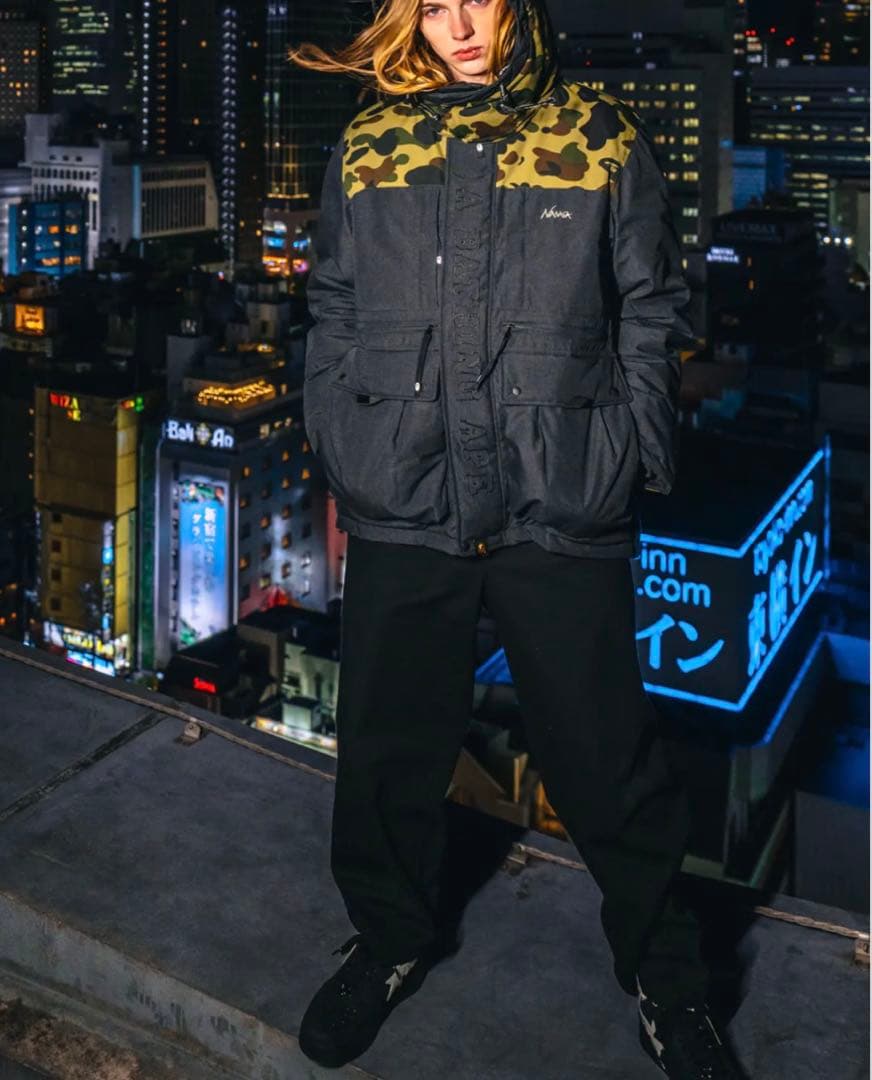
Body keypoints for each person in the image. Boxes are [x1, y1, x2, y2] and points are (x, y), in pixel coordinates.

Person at [289, 1, 747, 1076]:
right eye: (431, 5)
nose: (457, 25)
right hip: (406, 493)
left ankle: (669, 984)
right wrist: (342, 438)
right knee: (388, 747)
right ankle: (389, 940)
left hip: (563, 494)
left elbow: (653, 306)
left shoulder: (600, 133)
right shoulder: (370, 141)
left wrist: (631, 450)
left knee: (609, 760)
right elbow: (335, 303)